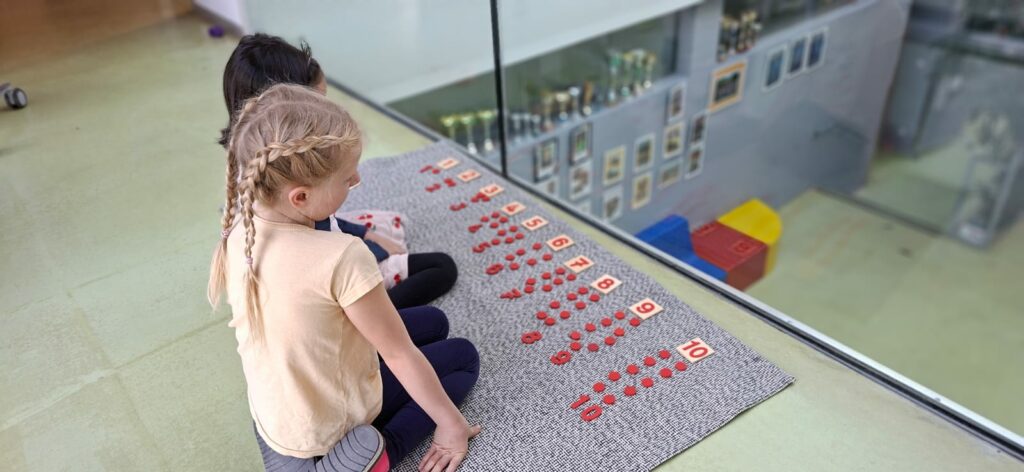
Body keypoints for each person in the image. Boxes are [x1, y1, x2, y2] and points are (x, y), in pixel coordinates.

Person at [208, 84, 480, 471]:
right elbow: (398, 354)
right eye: (348, 180)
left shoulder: (239, 226)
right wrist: (451, 426)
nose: (355, 184)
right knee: (463, 358)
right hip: (327, 423)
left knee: (435, 323)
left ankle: (298, 454)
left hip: (280, 413)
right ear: (299, 198)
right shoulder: (342, 255)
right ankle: (372, 457)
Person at [219, 33, 457, 309]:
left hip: (320, 263)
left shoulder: (258, 166)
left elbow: (325, 220)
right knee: (441, 268)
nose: (330, 111)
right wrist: (372, 250)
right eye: (320, 104)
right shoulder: (314, 239)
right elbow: (329, 245)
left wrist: (363, 233)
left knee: (384, 227)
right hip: (339, 293)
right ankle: (376, 316)